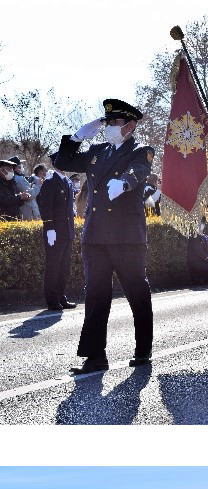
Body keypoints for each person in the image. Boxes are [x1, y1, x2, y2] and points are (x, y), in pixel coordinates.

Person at [50, 98, 156, 372]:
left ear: (130, 126)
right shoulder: (98, 151)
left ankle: (143, 348)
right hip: (95, 234)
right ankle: (95, 356)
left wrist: (124, 183)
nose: (109, 127)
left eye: (115, 122)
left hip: (126, 236)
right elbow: (63, 161)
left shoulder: (140, 150)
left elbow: (139, 171)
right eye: (106, 122)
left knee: (136, 291)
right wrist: (76, 137)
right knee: (96, 294)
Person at [35, 164, 77, 311]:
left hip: (67, 231)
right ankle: (52, 299)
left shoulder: (67, 181)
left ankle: (61, 296)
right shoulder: (50, 181)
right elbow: (45, 206)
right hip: (55, 231)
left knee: (64, 267)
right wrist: (49, 227)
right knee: (54, 266)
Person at [0, 156, 28, 220]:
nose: (11, 171)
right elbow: (3, 200)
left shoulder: (12, 182)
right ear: (1, 170)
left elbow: (17, 200)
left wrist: (22, 197)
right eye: (9, 169)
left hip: (15, 217)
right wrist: (19, 197)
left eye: (12, 169)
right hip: (3, 220)